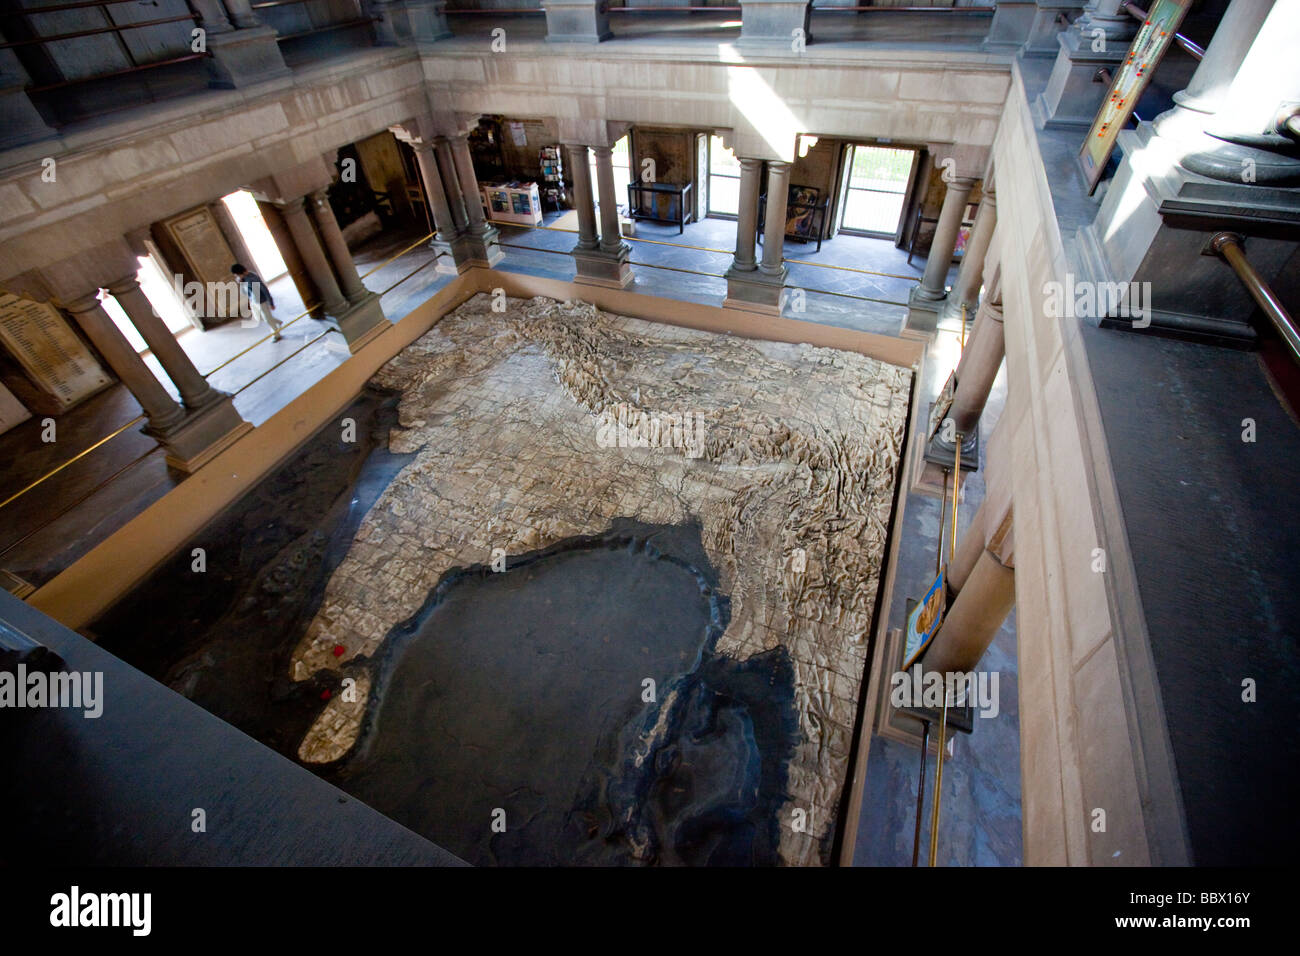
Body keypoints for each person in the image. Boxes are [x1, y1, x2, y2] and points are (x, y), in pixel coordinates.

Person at [231, 263, 282, 341]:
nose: (237, 277)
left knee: (267, 319)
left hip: (261, 301)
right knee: (260, 318)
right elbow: (244, 293)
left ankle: (276, 335)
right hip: (254, 301)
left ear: (241, 272)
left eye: (237, 275)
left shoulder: (253, 278)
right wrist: (241, 283)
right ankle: (278, 322)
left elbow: (264, 290)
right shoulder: (244, 279)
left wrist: (271, 302)